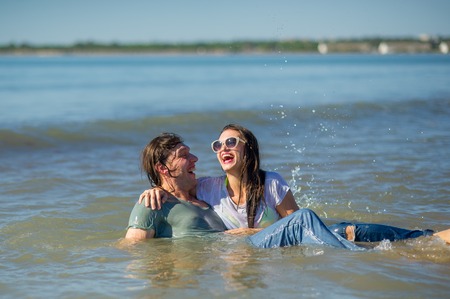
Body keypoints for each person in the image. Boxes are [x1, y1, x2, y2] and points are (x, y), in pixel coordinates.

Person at [139, 124, 450, 246]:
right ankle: (371, 256)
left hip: (270, 239)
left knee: (345, 229)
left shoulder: (270, 182)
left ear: (248, 149)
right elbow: (174, 193)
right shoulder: (206, 187)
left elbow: (292, 229)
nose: (223, 148)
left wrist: (251, 231)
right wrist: (154, 190)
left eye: (231, 141)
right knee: (313, 221)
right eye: (218, 144)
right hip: (257, 248)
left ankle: (425, 237)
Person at [125, 133, 226, 240]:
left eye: (190, 153)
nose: (195, 158)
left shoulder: (205, 195)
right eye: (183, 155)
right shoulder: (153, 203)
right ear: (162, 168)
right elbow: (133, 248)